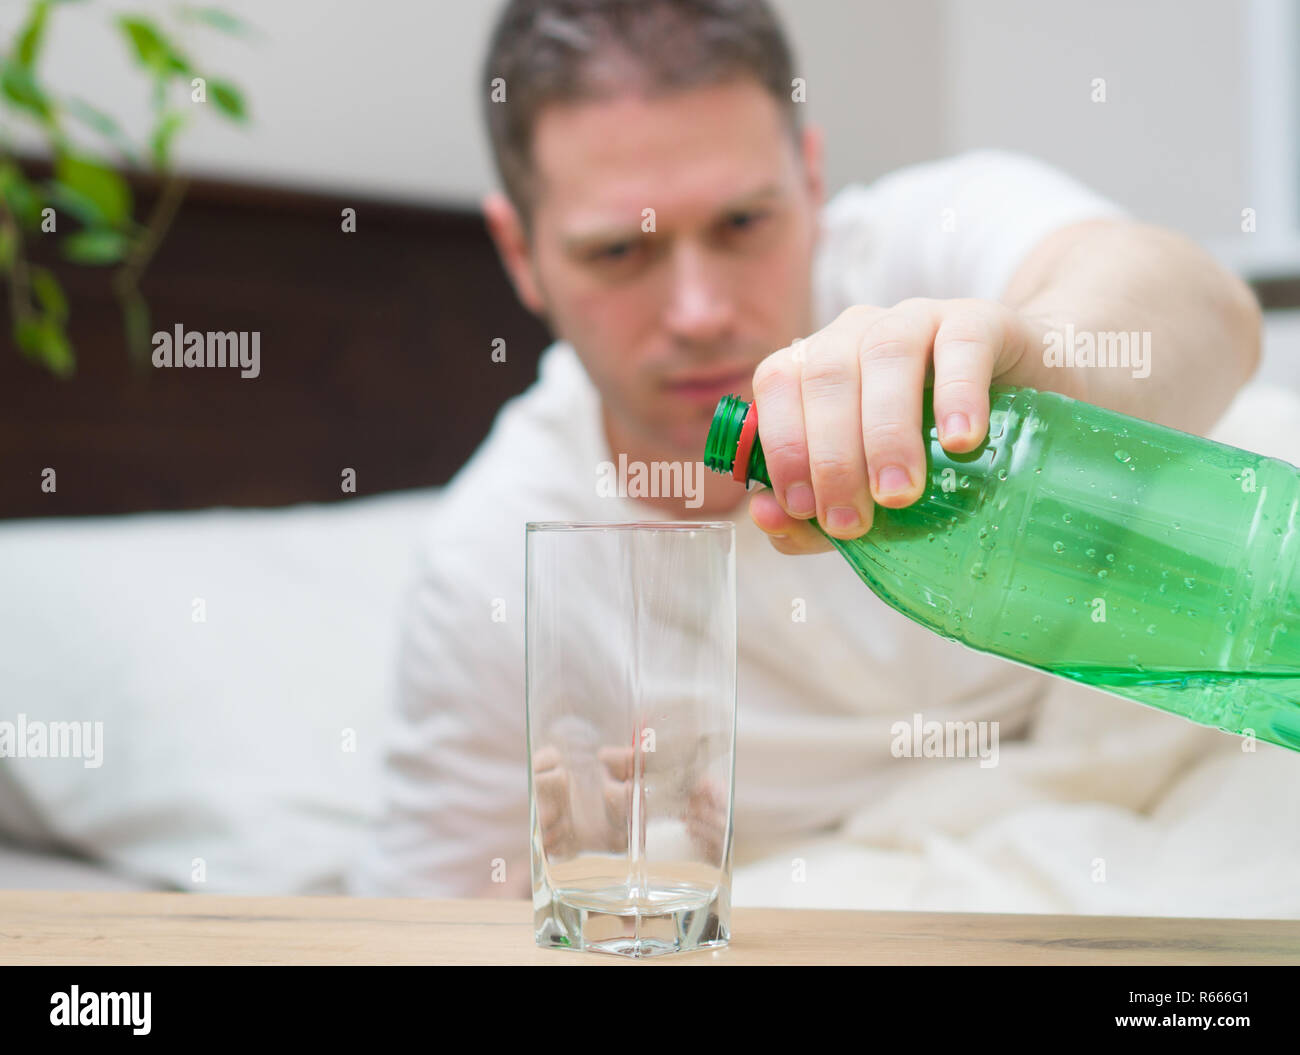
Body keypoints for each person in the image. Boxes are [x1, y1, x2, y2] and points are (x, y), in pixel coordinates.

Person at [349, 0, 1260, 903]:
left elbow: (1205, 307)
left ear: (812, 180)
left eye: (744, 224)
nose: (699, 311)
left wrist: (1047, 363)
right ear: (520, 252)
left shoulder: (919, 249)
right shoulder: (489, 571)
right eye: (621, 250)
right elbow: (422, 917)